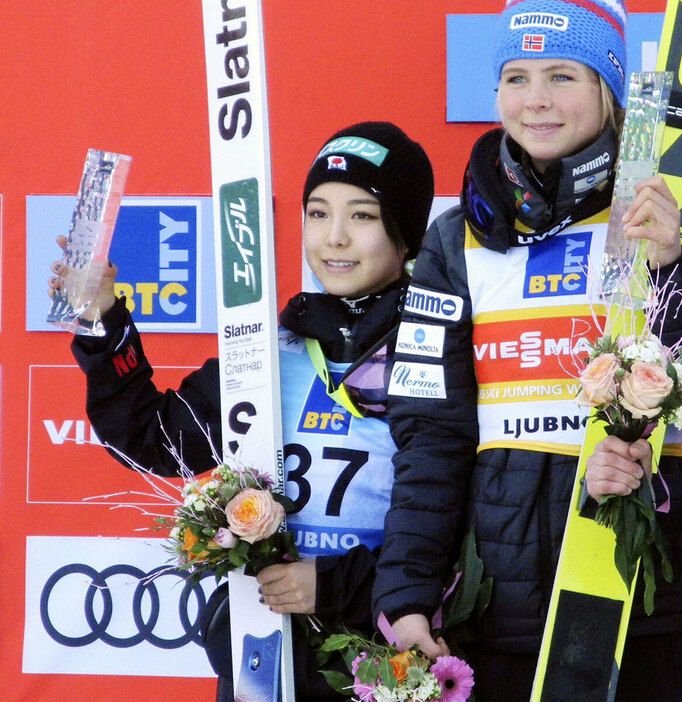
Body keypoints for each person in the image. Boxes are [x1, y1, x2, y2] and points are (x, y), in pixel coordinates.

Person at [372, 1, 682, 700]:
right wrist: (406, 591)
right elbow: (430, 436)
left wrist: (679, 272)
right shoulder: (453, 242)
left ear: (608, 89)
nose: (537, 100)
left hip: (655, 612)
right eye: (516, 78)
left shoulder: (674, 221)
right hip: (499, 620)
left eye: (562, 75)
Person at [48, 121, 434, 700]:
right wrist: (105, 323)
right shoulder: (272, 348)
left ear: (405, 237)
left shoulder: (439, 349)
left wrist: (334, 587)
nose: (334, 238)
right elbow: (155, 438)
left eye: (362, 215)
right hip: (263, 650)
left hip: (387, 655)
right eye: (317, 212)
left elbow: (452, 516)